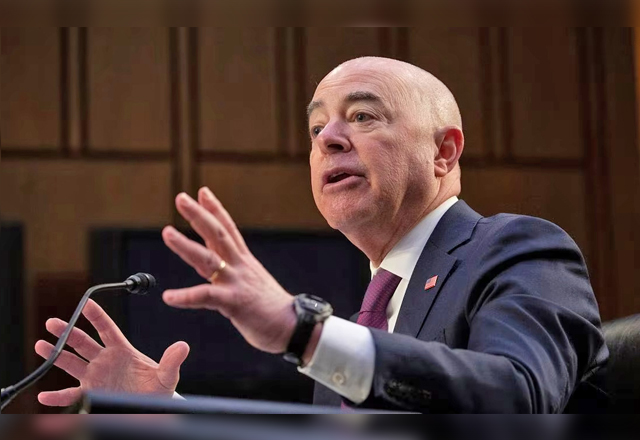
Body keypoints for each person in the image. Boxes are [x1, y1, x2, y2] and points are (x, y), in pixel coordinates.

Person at [34, 57, 608, 413]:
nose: (328, 138)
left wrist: (304, 329)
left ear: (443, 151)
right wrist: (171, 414)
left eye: (362, 116)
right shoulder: (358, 327)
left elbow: (519, 399)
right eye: (315, 127)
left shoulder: (518, 249)